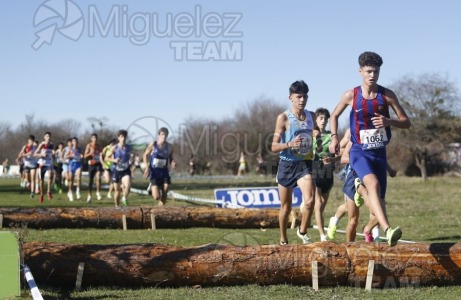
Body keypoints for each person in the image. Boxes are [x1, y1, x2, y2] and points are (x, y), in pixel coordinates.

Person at [329, 51, 411, 246]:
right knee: (373, 184)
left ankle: (360, 190)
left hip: (379, 153)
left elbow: (406, 122)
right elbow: (333, 116)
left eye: (375, 71)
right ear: (360, 71)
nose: (372, 75)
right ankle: (388, 230)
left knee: (377, 208)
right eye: (368, 71)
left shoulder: (387, 95)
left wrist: (388, 121)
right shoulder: (351, 95)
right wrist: (334, 138)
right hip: (359, 152)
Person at [271, 80, 318, 245]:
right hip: (286, 165)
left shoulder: (312, 116)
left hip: (304, 164)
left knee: (311, 200)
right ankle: (283, 239)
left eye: (305, 96)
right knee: (286, 207)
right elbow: (274, 146)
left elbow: (317, 134)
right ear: (291, 97)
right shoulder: (283, 117)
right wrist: (290, 144)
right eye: (299, 97)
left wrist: (319, 139)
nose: (302, 100)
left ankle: (302, 230)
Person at [311, 108, 342, 241]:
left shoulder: (332, 136)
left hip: (328, 173)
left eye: (325, 119)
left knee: (322, 205)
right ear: (316, 120)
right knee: (318, 204)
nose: (323, 121)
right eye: (321, 118)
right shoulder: (311, 134)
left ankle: (310, 217)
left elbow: (339, 156)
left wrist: (332, 159)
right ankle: (322, 235)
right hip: (315, 170)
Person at [143, 127, 176, 206]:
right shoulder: (153, 144)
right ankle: (151, 187)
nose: (164, 136)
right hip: (154, 172)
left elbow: (170, 157)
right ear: (158, 135)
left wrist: (172, 162)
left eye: (166, 135)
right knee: (157, 197)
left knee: (166, 189)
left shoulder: (170, 146)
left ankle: (160, 211)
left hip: (164, 172)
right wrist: (147, 168)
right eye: (162, 134)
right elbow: (145, 155)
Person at [105, 130, 132, 207]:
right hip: (116, 171)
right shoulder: (114, 147)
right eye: (121, 136)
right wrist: (114, 160)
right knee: (117, 191)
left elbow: (130, 156)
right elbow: (106, 158)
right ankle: (117, 206)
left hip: (125, 170)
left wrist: (131, 159)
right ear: (118, 138)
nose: (123, 138)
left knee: (128, 185)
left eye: (124, 137)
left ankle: (124, 198)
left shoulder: (129, 147)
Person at [34, 132, 55, 203]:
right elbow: (35, 154)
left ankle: (48, 192)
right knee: (41, 180)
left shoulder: (51, 144)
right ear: (44, 137)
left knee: (51, 175)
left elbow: (52, 153)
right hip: (42, 164)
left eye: (49, 136)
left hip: (49, 163)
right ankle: (41, 194)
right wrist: (41, 155)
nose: (48, 138)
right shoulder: (42, 144)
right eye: (47, 136)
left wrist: (54, 154)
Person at [84, 133, 103, 202]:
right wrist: (90, 153)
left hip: (97, 164)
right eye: (93, 138)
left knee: (98, 176)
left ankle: (98, 192)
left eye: (96, 138)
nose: (95, 139)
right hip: (91, 164)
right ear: (91, 139)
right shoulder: (89, 146)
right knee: (90, 181)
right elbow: (85, 156)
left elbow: (101, 155)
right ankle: (89, 195)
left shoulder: (98, 146)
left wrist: (102, 161)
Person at [66, 137, 83, 201]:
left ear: (77, 142)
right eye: (74, 141)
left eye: (76, 141)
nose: (75, 143)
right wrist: (70, 156)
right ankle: (70, 192)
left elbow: (81, 155)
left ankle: (78, 191)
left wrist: (81, 156)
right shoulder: (70, 149)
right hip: (72, 164)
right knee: (71, 180)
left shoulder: (79, 149)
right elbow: (66, 156)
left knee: (79, 177)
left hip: (78, 164)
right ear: (72, 143)